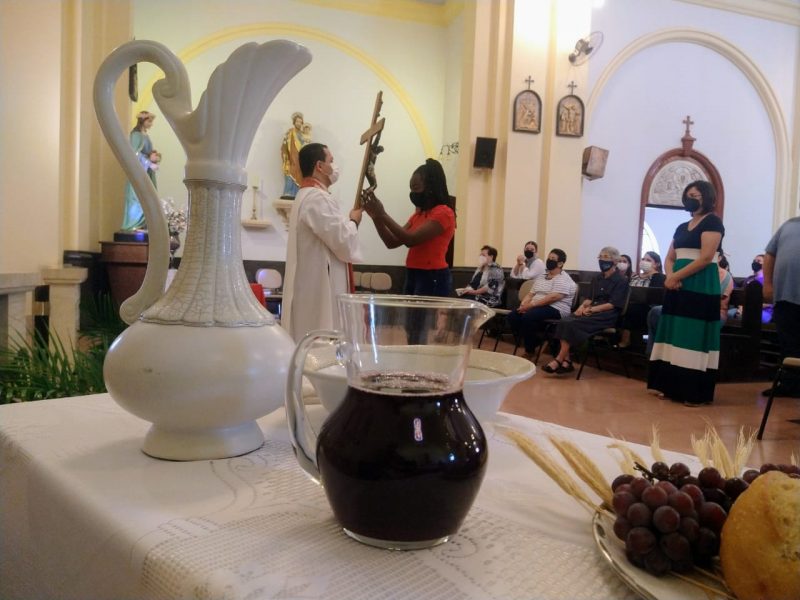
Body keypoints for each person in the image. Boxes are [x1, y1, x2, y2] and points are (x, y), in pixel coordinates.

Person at [648, 180, 724, 406]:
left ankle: (693, 391)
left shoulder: (712, 222)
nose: (692, 198)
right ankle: (670, 386)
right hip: (677, 284)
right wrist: (671, 276)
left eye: (697, 195)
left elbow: (706, 257)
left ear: (707, 197)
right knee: (674, 332)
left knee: (692, 335)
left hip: (699, 283)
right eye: (689, 194)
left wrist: (676, 277)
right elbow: (670, 257)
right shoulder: (682, 227)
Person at [282, 143, 363, 343]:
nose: (334, 166)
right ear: (319, 166)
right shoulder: (317, 198)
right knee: (320, 340)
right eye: (331, 161)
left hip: (309, 284)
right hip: (318, 289)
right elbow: (343, 241)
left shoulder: (304, 196)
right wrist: (354, 221)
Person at [363, 159, 455, 297]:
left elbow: (411, 240)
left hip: (433, 276)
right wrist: (376, 217)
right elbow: (391, 242)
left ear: (430, 186)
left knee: (424, 319)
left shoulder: (444, 212)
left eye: (416, 188)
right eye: (411, 189)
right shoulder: (418, 215)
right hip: (413, 272)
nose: (412, 193)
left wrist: (382, 213)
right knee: (411, 318)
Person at [543, 246, 628, 374]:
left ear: (615, 261)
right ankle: (567, 361)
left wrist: (592, 310)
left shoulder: (621, 280)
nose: (602, 260)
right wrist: (581, 307)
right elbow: (589, 298)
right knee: (564, 321)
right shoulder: (597, 278)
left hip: (607, 314)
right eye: (601, 257)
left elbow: (612, 304)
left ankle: (560, 359)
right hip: (591, 310)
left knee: (572, 324)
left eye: (606, 258)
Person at [507, 248, 577, 359]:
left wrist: (531, 306)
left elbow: (553, 297)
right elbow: (531, 294)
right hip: (537, 307)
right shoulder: (542, 276)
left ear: (560, 263)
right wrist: (523, 305)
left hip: (556, 308)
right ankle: (536, 341)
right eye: (549, 258)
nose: (549, 260)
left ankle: (529, 350)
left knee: (529, 316)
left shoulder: (563, 278)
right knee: (513, 316)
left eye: (553, 259)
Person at [763, 215, 800, 397]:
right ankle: (788, 384)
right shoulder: (789, 225)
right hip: (785, 295)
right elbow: (770, 254)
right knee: (787, 343)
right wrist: (768, 284)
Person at [122, 111, 160, 231]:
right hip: (138, 173)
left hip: (146, 173)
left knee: (148, 198)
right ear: (143, 121)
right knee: (138, 199)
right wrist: (149, 162)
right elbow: (134, 154)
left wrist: (155, 157)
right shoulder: (136, 135)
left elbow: (147, 152)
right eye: (149, 121)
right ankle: (134, 225)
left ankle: (143, 224)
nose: (151, 124)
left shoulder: (145, 135)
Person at [619, 251, 666, 349]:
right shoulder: (634, 276)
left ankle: (625, 340)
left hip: (647, 307)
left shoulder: (659, 277)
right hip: (630, 303)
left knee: (631, 309)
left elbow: (655, 297)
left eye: (648, 260)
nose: (644, 261)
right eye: (643, 259)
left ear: (657, 264)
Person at [280, 112, 310, 199]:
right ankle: (288, 192)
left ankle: (298, 193)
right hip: (291, 158)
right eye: (297, 121)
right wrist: (285, 155)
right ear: (294, 122)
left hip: (300, 158)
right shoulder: (290, 132)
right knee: (290, 172)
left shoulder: (303, 134)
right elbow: (284, 145)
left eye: (300, 122)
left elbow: (305, 145)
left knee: (300, 174)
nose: (299, 123)